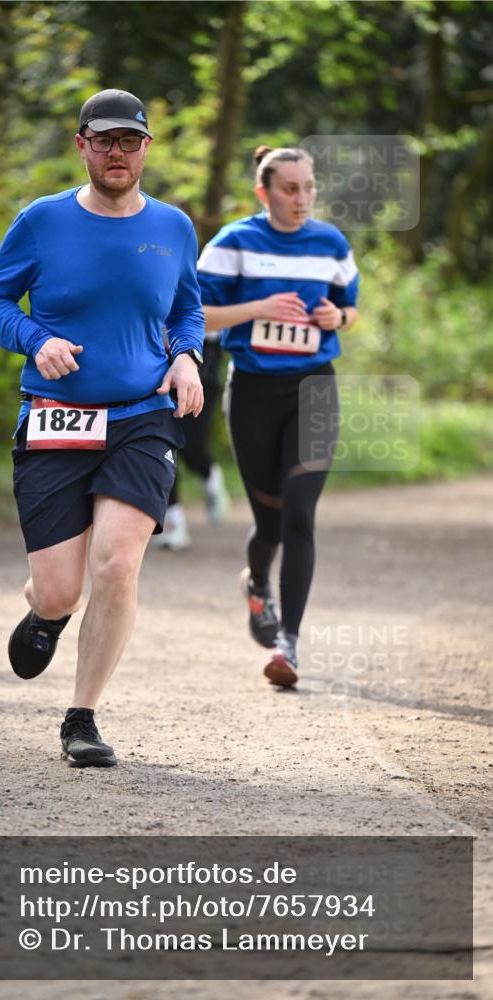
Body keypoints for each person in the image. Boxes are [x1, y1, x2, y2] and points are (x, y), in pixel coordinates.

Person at [0, 89, 204, 768]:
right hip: (55, 416)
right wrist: (33, 338)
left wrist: (187, 355)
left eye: (128, 141)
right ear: (81, 145)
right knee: (61, 587)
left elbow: (186, 308)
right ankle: (46, 613)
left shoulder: (173, 227)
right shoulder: (41, 221)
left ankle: (82, 717)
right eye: (103, 140)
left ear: (145, 149)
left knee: (116, 563)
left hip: (141, 416)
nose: (116, 153)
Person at [197, 146, 359, 688]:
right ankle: (257, 582)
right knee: (269, 521)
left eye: (309, 187)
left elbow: (349, 307)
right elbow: (192, 316)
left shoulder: (331, 243)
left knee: (299, 515)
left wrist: (339, 315)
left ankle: (288, 644)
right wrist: (256, 309)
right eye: (290, 189)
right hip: (253, 393)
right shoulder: (234, 243)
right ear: (264, 193)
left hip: (313, 390)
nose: (302, 198)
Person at [157, 334, 229, 550]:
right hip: (152, 357)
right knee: (162, 444)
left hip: (200, 358)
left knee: (190, 445)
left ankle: (209, 475)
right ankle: (173, 522)